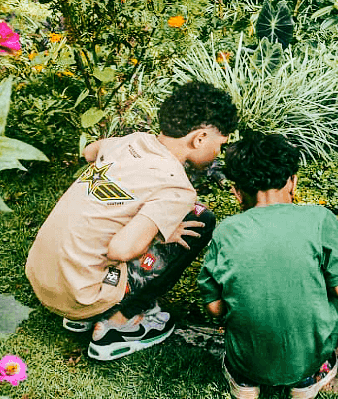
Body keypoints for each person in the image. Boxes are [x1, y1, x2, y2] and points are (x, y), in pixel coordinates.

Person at [25, 81, 238, 361]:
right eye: (219, 145)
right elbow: (121, 251)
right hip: (82, 294)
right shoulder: (177, 188)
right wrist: (162, 233)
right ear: (199, 139)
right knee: (201, 219)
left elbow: (90, 151)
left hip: (43, 277)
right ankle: (119, 322)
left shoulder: (133, 141)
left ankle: (84, 312)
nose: (218, 153)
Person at [198, 132, 338, 399]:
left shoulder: (227, 231)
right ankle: (309, 377)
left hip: (247, 361)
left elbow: (214, 308)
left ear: (237, 192)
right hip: (308, 359)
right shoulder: (320, 220)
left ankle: (244, 381)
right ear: (292, 181)